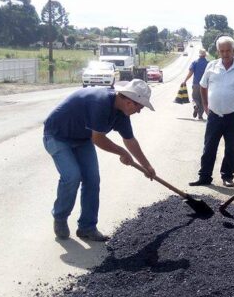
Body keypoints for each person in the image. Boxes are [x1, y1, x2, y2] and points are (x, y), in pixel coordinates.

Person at [43, 79, 156, 241]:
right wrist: (121, 152)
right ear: (130, 102)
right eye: (140, 107)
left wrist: (147, 166)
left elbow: (130, 140)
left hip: (82, 139)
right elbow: (98, 139)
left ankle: (87, 227)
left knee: (92, 179)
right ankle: (60, 217)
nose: (139, 111)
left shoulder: (121, 114)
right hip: (57, 135)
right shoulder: (100, 102)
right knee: (72, 176)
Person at [189, 36, 234, 188]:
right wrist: (205, 105)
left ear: (233, 50)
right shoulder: (212, 66)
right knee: (209, 147)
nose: (225, 54)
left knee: (231, 148)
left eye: (228, 50)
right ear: (218, 51)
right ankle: (205, 176)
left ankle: (227, 176)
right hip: (214, 115)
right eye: (222, 51)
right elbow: (203, 85)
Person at [181, 49, 209, 120]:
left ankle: (195, 106)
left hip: (196, 84)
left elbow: (190, 73)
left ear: (199, 55)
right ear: (205, 55)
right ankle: (200, 116)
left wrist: (185, 80)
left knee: (194, 98)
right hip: (205, 85)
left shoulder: (195, 62)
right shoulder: (208, 64)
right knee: (203, 100)